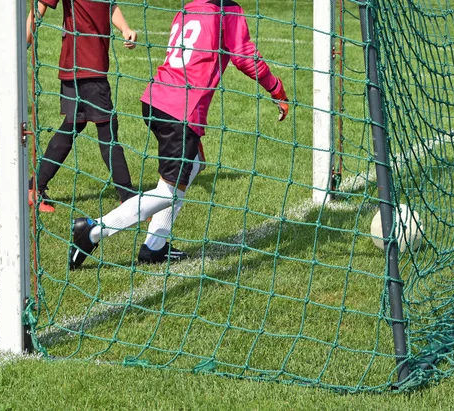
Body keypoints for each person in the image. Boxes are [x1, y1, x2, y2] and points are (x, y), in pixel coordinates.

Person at [69, 0, 289, 269]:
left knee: (194, 164)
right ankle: (92, 232)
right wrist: (276, 88)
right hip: (181, 109)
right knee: (168, 193)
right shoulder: (227, 9)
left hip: (157, 98)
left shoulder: (188, 6)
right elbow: (244, 57)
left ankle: (155, 246)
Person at [26, 0, 138, 213]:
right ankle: (129, 198)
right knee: (108, 132)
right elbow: (40, 6)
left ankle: (35, 187)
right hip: (86, 69)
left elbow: (110, 6)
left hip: (84, 67)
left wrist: (125, 29)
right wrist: (24, 40)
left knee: (71, 127)